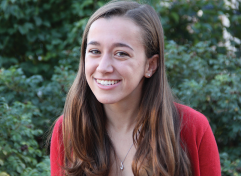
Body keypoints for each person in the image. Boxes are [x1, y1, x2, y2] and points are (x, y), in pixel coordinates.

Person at [50, 1, 221, 176]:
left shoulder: (192, 129)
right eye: (95, 51)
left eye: (121, 53)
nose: (103, 67)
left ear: (150, 65)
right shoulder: (68, 131)